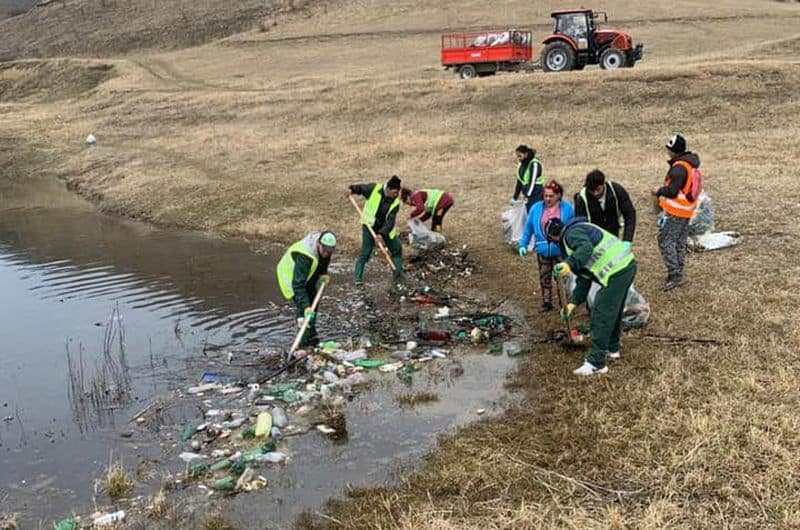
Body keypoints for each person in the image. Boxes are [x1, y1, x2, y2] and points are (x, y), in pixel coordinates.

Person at [546, 217, 637, 376]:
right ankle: (612, 348)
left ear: (553, 238)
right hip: (626, 265)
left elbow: (586, 248)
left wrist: (569, 263)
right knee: (613, 311)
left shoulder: (570, 236)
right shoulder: (580, 228)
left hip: (617, 271)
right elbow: (585, 278)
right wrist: (573, 303)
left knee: (601, 313)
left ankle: (596, 363)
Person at [651, 134, 700, 291]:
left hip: (676, 210)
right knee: (679, 240)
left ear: (672, 150)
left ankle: (675, 274)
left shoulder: (679, 168)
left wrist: (658, 190)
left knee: (665, 241)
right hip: (687, 210)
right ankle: (678, 270)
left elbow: (672, 191)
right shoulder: (689, 164)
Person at [518, 180, 574, 312]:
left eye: (551, 196)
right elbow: (528, 228)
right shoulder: (536, 208)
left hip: (560, 250)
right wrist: (523, 244)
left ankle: (565, 303)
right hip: (543, 250)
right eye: (545, 195)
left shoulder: (567, 209)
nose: (548, 199)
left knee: (563, 278)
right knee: (544, 277)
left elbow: (573, 228)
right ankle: (547, 302)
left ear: (558, 195)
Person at [276, 231, 336, 348]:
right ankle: (302, 343)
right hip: (291, 279)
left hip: (307, 276)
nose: (326, 254)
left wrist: (323, 273)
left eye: (330, 252)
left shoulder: (325, 250)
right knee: (304, 310)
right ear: (319, 244)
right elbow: (298, 285)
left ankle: (312, 339)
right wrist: (305, 306)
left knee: (314, 303)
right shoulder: (305, 256)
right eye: (325, 251)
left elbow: (323, 260)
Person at [348, 176, 405, 284]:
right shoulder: (374, 189)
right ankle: (358, 279)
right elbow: (361, 188)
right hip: (369, 226)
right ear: (387, 189)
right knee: (365, 252)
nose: (396, 196)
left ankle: (398, 275)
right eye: (394, 193)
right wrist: (351, 189)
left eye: (397, 193)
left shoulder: (395, 203)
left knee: (397, 249)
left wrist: (381, 235)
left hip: (385, 229)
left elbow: (390, 222)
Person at [574, 169, 636, 247]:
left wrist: (627, 240)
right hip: (593, 237)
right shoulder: (581, 198)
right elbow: (580, 223)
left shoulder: (616, 190)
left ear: (604, 184)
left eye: (598, 189)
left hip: (613, 231)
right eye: (591, 190)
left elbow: (630, 214)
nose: (595, 193)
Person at [511, 144, 544, 212]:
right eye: (517, 156)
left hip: (536, 194)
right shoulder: (521, 165)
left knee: (535, 213)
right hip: (528, 194)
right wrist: (515, 197)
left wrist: (528, 195)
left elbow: (532, 182)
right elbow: (519, 182)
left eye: (520, 156)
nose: (519, 158)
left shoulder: (534, 164)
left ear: (526, 154)